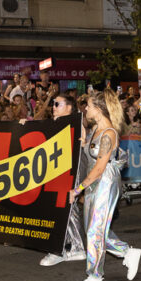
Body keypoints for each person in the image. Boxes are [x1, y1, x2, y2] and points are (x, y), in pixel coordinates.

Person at [68, 89, 141, 281]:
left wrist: (77, 190)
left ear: (99, 109)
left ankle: (95, 277)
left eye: (90, 105)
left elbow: (100, 168)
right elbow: (91, 156)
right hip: (94, 183)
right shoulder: (95, 129)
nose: (86, 109)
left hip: (105, 183)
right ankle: (128, 252)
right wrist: (84, 142)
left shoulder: (108, 134)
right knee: (94, 230)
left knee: (94, 231)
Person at [39, 95, 88, 266]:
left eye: (57, 104)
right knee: (66, 205)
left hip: (73, 167)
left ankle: (61, 249)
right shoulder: (55, 123)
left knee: (66, 204)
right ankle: (74, 247)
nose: (53, 107)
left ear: (69, 107)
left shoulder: (76, 124)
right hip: (58, 168)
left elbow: (81, 147)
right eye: (53, 104)